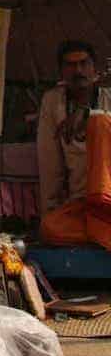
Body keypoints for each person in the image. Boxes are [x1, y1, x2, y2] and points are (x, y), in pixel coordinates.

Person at [37, 40, 111, 249]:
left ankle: (101, 227)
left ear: (94, 69)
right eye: (70, 65)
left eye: (83, 63)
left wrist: (86, 112)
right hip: (83, 207)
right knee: (49, 227)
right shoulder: (53, 102)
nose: (77, 70)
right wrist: (50, 210)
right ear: (61, 72)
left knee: (101, 123)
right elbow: (49, 164)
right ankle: (101, 233)